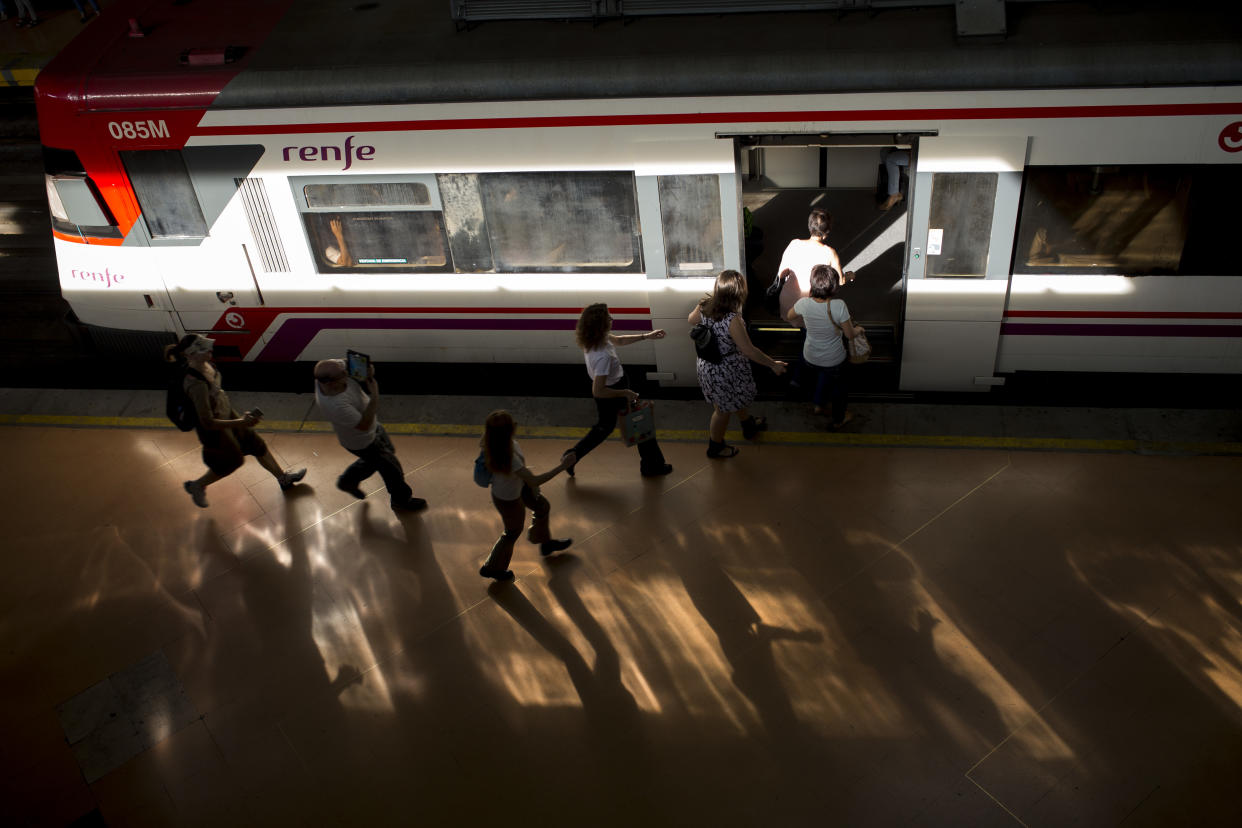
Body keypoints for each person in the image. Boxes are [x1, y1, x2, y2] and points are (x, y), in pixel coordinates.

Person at [167, 334, 306, 508]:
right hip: (215, 431)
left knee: (257, 445)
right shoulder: (196, 384)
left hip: (228, 416)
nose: (209, 350)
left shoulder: (208, 365)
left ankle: (283, 479)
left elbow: (217, 394)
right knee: (231, 462)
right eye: (203, 350)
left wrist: (240, 419)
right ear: (190, 355)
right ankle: (197, 485)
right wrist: (240, 422)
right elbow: (208, 422)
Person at [564, 303, 672, 478]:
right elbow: (598, 391)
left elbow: (620, 340)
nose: (612, 319)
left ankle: (572, 455)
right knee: (640, 423)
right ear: (601, 324)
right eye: (608, 317)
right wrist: (625, 393)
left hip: (615, 388)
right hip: (613, 391)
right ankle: (652, 466)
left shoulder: (596, 338)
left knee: (604, 428)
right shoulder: (602, 355)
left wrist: (646, 336)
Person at [688, 269, 787, 458]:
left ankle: (748, 424)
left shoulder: (705, 305)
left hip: (708, 366)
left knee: (734, 396)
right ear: (739, 292)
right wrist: (773, 364)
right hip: (725, 370)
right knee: (722, 411)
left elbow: (691, 320)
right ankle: (715, 447)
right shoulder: (732, 320)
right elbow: (748, 350)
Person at [313, 357, 427, 513]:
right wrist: (374, 396)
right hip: (363, 441)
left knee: (380, 458)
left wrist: (367, 370)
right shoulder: (336, 405)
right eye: (343, 374)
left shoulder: (329, 375)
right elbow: (363, 425)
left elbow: (357, 364)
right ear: (330, 382)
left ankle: (348, 481)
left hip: (374, 430)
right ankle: (401, 501)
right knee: (392, 470)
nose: (347, 372)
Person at [479, 410, 574, 582]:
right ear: (508, 430)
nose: (516, 424)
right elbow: (534, 480)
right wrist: (562, 466)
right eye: (512, 423)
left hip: (518, 487)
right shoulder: (508, 457)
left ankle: (544, 541)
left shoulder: (492, 440)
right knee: (512, 532)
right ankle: (492, 568)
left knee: (542, 506)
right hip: (509, 499)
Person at [785, 265, 864, 428]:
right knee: (839, 389)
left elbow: (789, 315)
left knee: (820, 377)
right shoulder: (839, 306)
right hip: (834, 360)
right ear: (834, 286)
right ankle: (839, 418)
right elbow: (849, 334)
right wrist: (859, 329)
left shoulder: (803, 303)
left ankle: (819, 405)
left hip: (810, 356)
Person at [777, 208, 855, 320]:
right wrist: (850, 275)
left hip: (788, 303)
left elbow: (781, 274)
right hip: (811, 307)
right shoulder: (830, 253)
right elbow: (841, 281)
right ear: (825, 234)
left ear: (810, 226)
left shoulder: (794, 244)